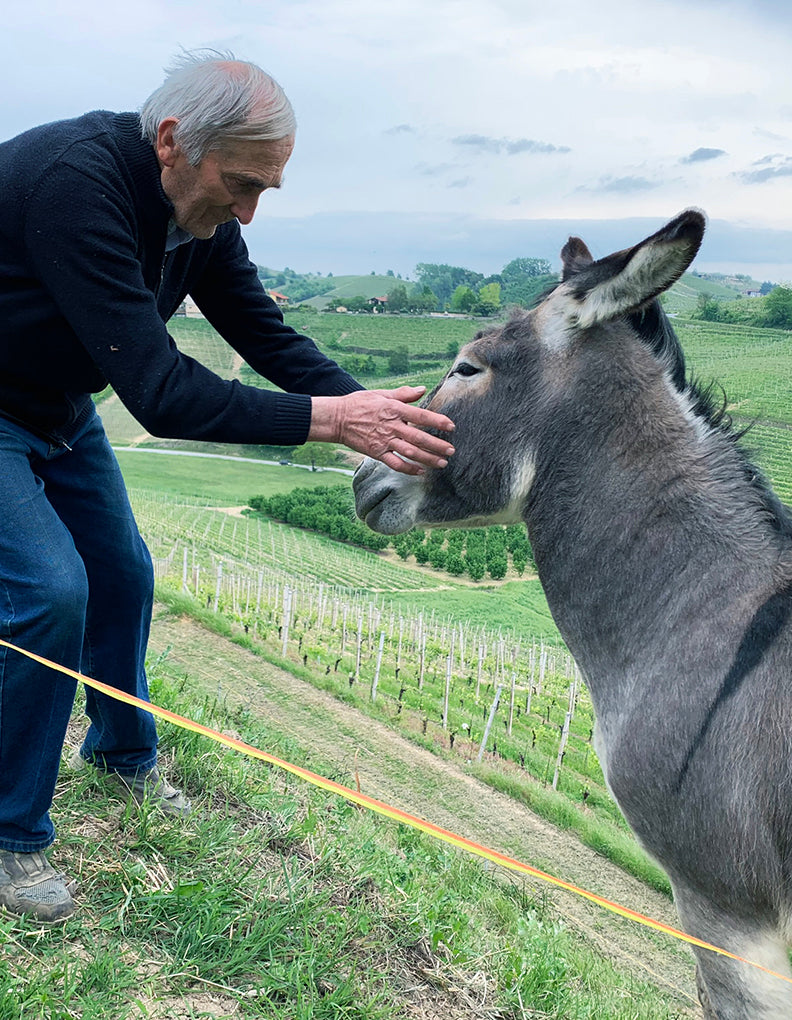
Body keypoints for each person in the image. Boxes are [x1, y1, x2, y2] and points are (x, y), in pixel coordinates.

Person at [0, 51, 456, 923]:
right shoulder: (75, 185)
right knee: (49, 594)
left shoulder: (198, 214)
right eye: (241, 184)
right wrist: (332, 422)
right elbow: (161, 392)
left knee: (123, 574)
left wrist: (377, 417)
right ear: (173, 141)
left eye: (264, 191)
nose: (247, 212)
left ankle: (123, 757)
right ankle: (11, 836)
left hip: (54, 402)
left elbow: (264, 333)